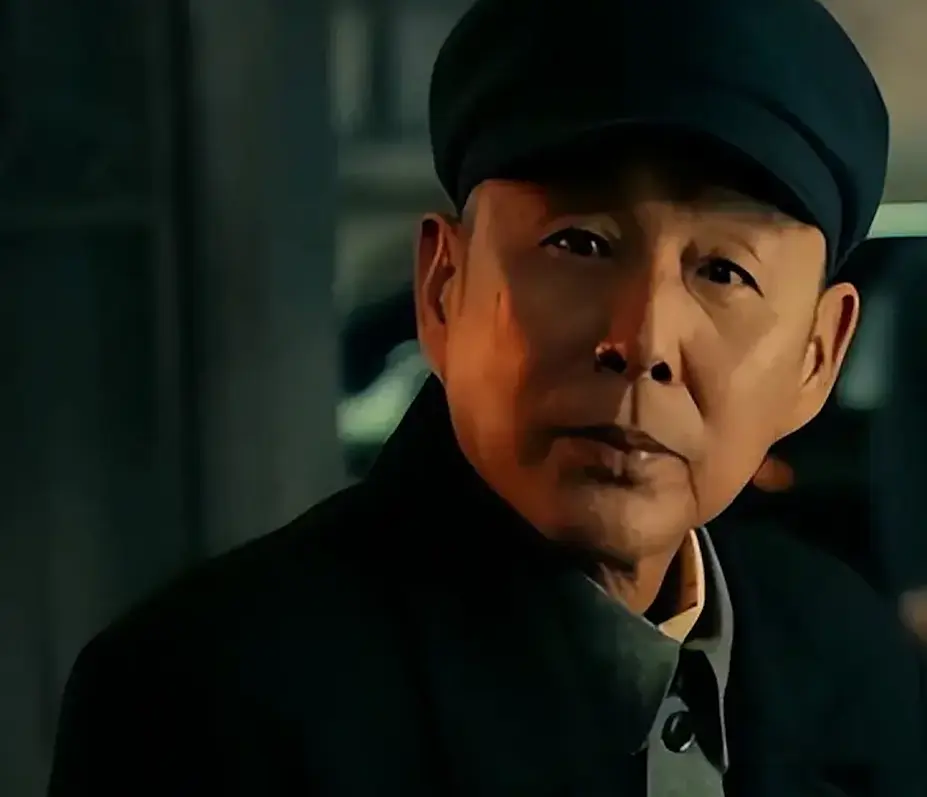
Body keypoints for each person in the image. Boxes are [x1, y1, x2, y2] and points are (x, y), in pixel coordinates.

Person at [48, 0, 926, 795]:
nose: (645, 340)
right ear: (443, 286)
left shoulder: (853, 663)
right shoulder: (210, 698)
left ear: (817, 356)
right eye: (579, 243)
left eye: (724, 271)